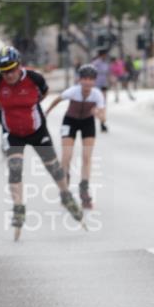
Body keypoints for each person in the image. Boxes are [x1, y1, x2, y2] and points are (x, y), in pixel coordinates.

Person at [0, 47, 83, 235]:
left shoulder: (34, 78)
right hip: (12, 132)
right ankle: (18, 207)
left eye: (12, 69)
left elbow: (44, 92)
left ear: (19, 65)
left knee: (53, 167)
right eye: (4, 71)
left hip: (36, 130)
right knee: (14, 168)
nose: (9, 75)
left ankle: (65, 194)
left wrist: (30, 103)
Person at [44, 64, 106, 209]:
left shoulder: (97, 95)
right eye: (84, 78)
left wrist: (97, 113)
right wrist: (46, 113)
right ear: (79, 79)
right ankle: (64, 188)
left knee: (87, 157)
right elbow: (57, 100)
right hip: (70, 121)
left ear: (94, 81)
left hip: (87, 122)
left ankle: (84, 189)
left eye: (91, 79)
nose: (87, 82)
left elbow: (103, 118)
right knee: (66, 156)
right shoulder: (73, 91)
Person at [92, 51, 111, 130]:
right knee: (94, 105)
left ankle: (102, 122)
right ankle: (94, 120)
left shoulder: (105, 63)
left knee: (103, 104)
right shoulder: (95, 63)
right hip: (96, 86)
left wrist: (109, 81)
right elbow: (91, 74)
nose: (105, 56)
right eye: (104, 55)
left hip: (103, 85)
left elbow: (107, 73)